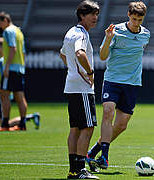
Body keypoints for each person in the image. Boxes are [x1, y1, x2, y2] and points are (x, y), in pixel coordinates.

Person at [86, 1, 150, 171]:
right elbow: (102, 56)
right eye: (134, 18)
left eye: (140, 20)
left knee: (121, 125)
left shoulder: (145, 35)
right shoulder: (116, 31)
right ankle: (104, 158)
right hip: (113, 80)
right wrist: (107, 39)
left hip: (132, 83)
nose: (136, 23)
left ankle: (93, 152)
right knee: (108, 113)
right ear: (128, 15)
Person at [59, 1, 100, 179]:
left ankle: (73, 170)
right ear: (82, 15)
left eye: (96, 14)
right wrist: (89, 72)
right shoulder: (81, 34)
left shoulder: (70, 32)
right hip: (82, 88)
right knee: (88, 127)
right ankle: (81, 169)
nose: (95, 18)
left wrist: (73, 71)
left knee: (75, 128)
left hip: (72, 85)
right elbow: (80, 53)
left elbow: (62, 54)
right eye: (92, 14)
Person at [0, 37, 40, 130]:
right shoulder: (2, 60)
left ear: (2, 47)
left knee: (5, 123)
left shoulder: (5, 61)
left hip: (1, 92)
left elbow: (5, 78)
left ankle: (30, 117)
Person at [0, 11, 28, 131]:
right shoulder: (19, 32)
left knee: (4, 94)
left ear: (5, 20)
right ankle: (22, 124)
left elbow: (13, 49)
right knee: (20, 97)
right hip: (19, 68)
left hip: (11, 68)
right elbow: (23, 51)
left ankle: (5, 124)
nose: (0, 26)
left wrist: (6, 67)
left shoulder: (8, 31)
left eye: (0, 23)